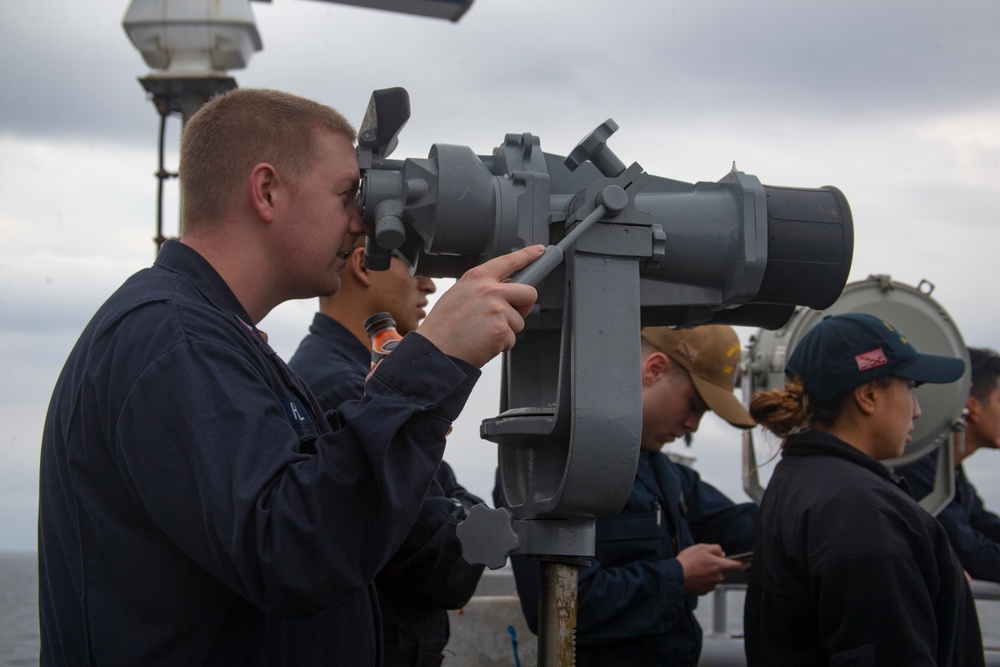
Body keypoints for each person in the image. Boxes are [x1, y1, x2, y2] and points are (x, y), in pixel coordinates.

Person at [37, 87, 543, 666]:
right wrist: (431, 360)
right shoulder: (174, 340)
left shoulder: (208, 338)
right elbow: (296, 551)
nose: (361, 225)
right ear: (267, 191)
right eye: (345, 195)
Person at [500, 325, 758, 667]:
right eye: (694, 404)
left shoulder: (667, 473)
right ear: (654, 369)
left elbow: (738, 524)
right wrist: (677, 577)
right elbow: (559, 606)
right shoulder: (553, 470)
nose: (693, 424)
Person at [744, 313, 983, 666]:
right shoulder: (861, 513)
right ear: (868, 395)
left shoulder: (801, 479)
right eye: (911, 387)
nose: (916, 411)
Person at [288, 240, 485, 666]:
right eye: (415, 263)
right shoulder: (348, 389)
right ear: (363, 263)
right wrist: (468, 511)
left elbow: (439, 493)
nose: (429, 284)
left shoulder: (342, 378)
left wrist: (455, 505)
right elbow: (447, 564)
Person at [896, 346, 1000, 583]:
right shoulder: (919, 470)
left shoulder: (949, 471)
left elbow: (984, 524)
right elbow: (972, 553)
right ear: (972, 405)